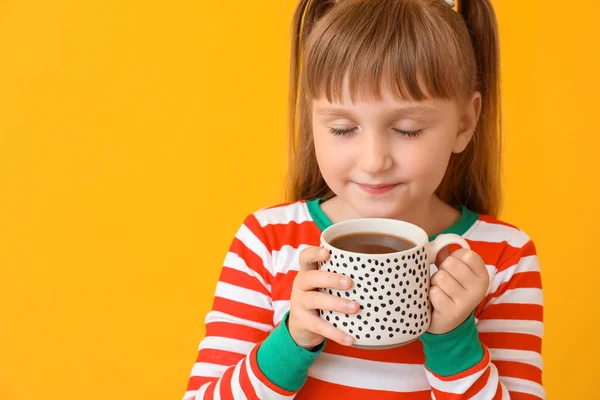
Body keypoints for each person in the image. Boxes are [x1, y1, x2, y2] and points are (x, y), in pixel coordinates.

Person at [183, 0, 544, 398]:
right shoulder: (268, 242)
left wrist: (454, 341)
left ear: (464, 122)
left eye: (407, 130)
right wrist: (293, 338)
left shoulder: (503, 257)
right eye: (342, 128)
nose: (374, 162)